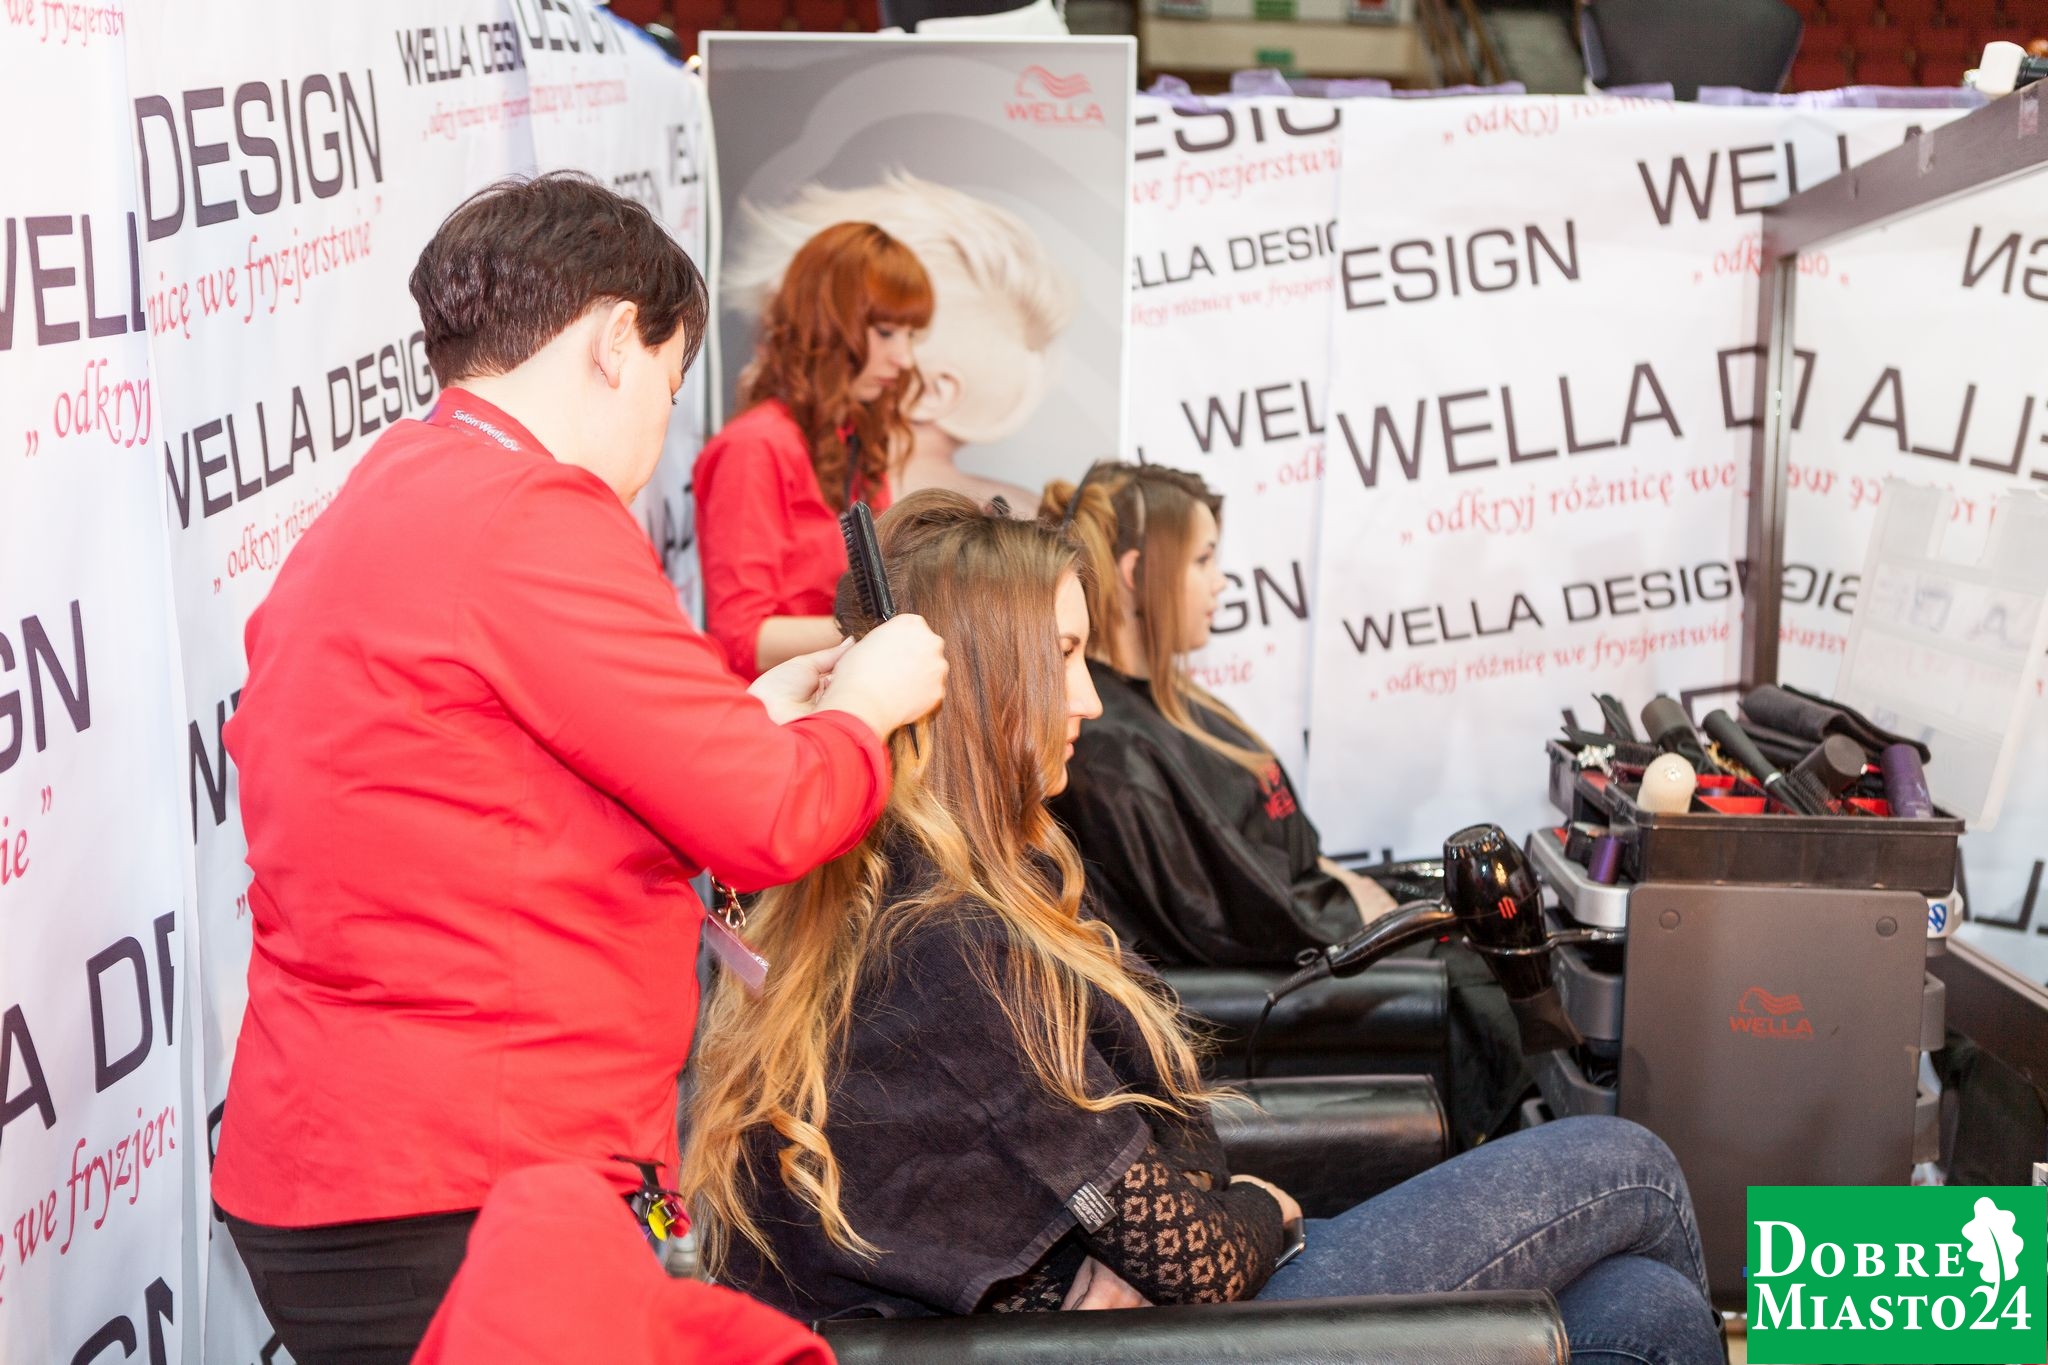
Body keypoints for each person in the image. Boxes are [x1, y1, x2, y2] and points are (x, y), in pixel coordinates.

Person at [680, 492, 1722, 1365]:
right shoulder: (948, 948)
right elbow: (1203, 1263)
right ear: (984, 681)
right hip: (1145, 1341)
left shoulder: (930, 885)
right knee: (1626, 1160)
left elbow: (1149, 1175)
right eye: (1064, 656)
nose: (1088, 700)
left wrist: (1160, 1228)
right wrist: (1263, 1211)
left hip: (1132, 1312)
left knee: (1646, 1312)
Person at [211, 173, 946, 1365]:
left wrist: (748, 718)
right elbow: (769, 813)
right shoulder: (530, 516)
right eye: (668, 383)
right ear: (614, 340)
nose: (661, 431)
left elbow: (493, 785)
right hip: (468, 1171)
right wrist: (866, 705)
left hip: (357, 1157)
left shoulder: (403, 486)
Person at [1043, 461, 1526, 1146]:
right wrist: (1353, 910)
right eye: (1203, 560)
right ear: (1136, 572)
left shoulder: (1173, 705)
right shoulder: (1116, 751)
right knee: (1484, 984)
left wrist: (1356, 892)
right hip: (1274, 976)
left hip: (1306, 919)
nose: (1221, 582)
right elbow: (1224, 918)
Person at [723, 173, 1074, 516]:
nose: (764, 360)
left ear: (929, 393)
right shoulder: (1040, 525)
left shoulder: (778, 488)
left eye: (808, 338)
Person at [695, 221, 933, 678]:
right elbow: (742, 639)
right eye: (886, 332)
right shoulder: (755, 448)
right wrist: (880, 625)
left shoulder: (856, 439)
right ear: (827, 327)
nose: (904, 359)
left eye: (910, 336)